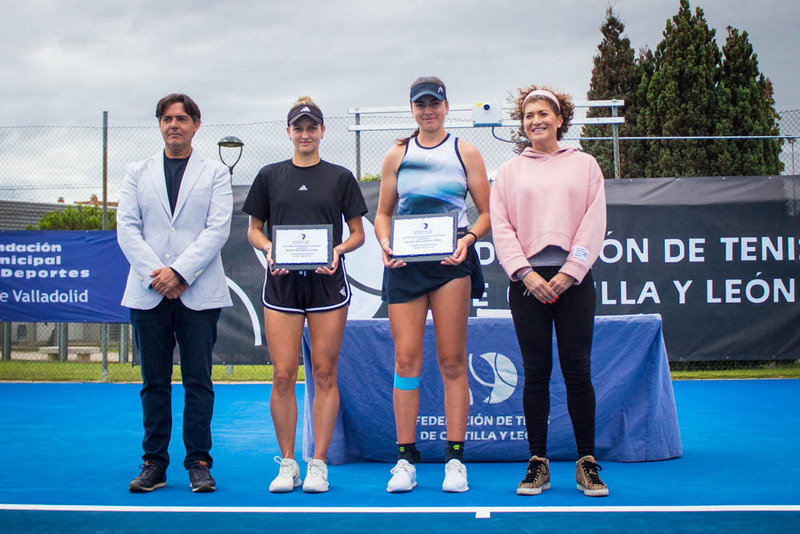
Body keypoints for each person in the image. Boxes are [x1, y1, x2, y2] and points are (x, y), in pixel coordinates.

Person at [242, 96, 367, 493]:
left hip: (328, 284)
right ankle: (288, 463)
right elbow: (254, 230)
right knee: (282, 374)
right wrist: (268, 249)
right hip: (281, 284)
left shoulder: (341, 177)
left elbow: (358, 234)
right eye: (299, 127)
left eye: (312, 127)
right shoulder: (268, 176)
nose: (306, 134)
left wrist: (337, 251)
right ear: (289, 132)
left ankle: (318, 463)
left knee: (325, 373)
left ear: (323, 131)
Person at [490, 86, 609, 497]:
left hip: (573, 283)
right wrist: (526, 273)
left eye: (543, 113)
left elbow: (594, 222)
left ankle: (587, 464)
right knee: (536, 373)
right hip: (528, 285)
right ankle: (537, 462)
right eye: (528, 115)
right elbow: (501, 227)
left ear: (560, 119)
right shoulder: (508, 171)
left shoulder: (586, 165)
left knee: (577, 370)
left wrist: (571, 270)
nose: (535, 120)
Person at [374, 77, 491, 493]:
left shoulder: (466, 151)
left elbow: (485, 213)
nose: (428, 110)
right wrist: (385, 243)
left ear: (446, 106)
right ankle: (405, 460)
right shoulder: (396, 155)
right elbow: (383, 214)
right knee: (406, 361)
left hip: (450, 264)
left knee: (452, 362)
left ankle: (455, 459)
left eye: (434, 103)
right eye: (420, 104)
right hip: (405, 265)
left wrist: (468, 240)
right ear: (412, 109)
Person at [117, 93, 233, 493]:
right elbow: (127, 228)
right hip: (149, 292)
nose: (174, 125)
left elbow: (217, 230)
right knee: (154, 381)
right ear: (160, 125)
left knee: (198, 380)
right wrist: (158, 275)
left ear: (196, 124)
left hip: (197, 292)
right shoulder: (136, 171)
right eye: (167, 118)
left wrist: (180, 272)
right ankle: (154, 464)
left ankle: (198, 462)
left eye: (182, 118)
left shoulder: (215, 172)